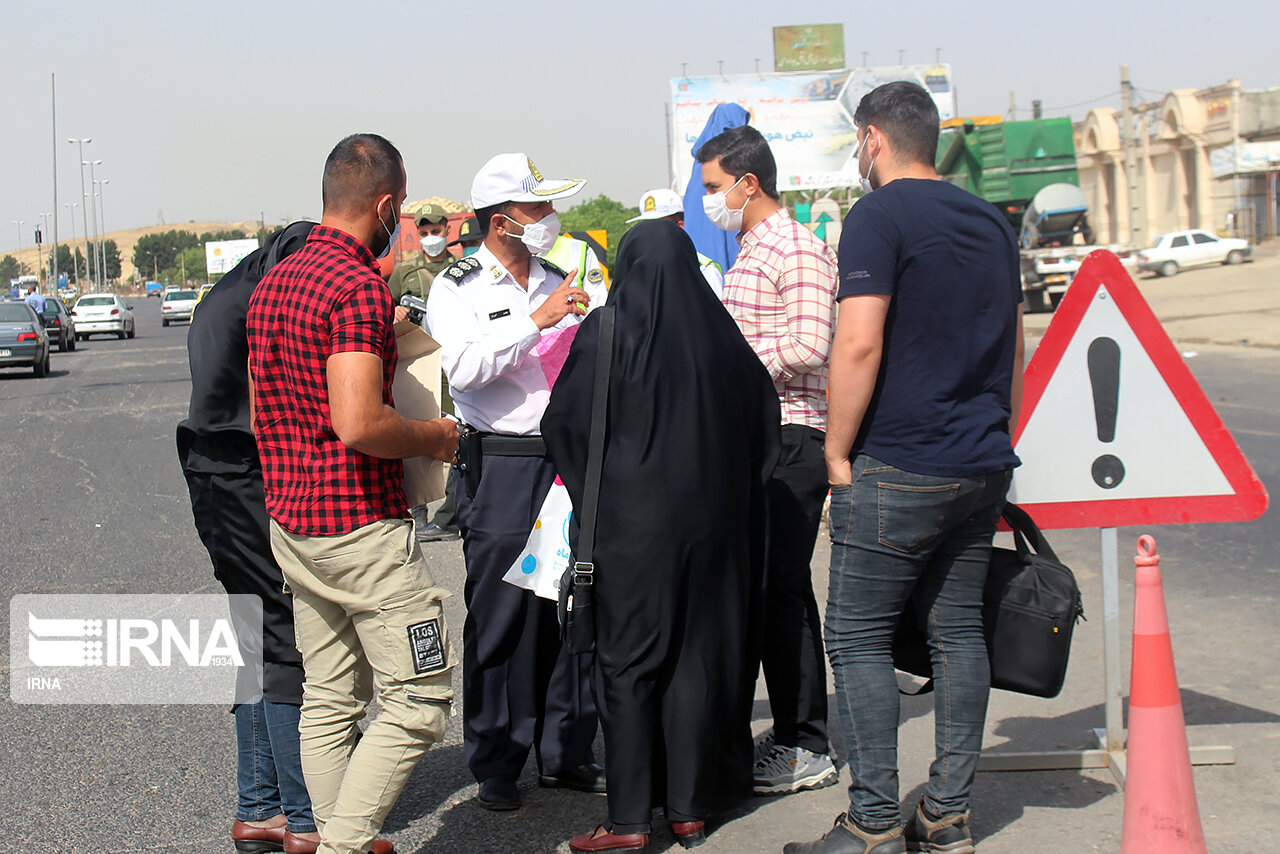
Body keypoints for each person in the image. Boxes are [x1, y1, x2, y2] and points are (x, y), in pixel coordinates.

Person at [785, 82, 1024, 854]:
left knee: (856, 639)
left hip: (899, 463)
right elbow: (1012, 343)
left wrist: (834, 451)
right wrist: (996, 432)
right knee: (957, 633)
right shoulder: (989, 220)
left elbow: (857, 343)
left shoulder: (878, 215)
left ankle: (873, 821)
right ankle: (947, 815)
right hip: (980, 462)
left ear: (873, 139)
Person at [246, 133, 460, 854]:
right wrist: (434, 436)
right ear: (388, 203)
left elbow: (262, 408)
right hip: (361, 530)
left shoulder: (273, 282)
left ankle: (335, 836)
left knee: (331, 696)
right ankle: (343, 845)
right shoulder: (355, 286)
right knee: (420, 700)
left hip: (295, 526)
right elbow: (360, 422)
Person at [544, 220, 782, 853]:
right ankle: (687, 808)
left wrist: (603, 485)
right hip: (716, 532)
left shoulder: (607, 331)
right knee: (694, 660)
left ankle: (626, 821)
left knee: (626, 666)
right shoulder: (722, 336)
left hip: (631, 532)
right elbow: (766, 430)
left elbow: (561, 425)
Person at [426, 152, 608, 811]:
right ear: (501, 221)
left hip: (564, 461)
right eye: (538, 209)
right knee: (503, 617)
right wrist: (538, 322)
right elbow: (464, 369)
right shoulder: (459, 287)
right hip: (500, 463)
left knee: (571, 605)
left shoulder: (562, 276)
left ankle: (567, 749)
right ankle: (499, 758)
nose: (551, 219)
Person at [696, 124, 840, 795]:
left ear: (749, 182)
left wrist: (738, 372)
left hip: (792, 438)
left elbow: (811, 346)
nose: (709, 201)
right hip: (758, 438)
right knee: (763, 590)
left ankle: (807, 741)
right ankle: (788, 732)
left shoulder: (798, 248)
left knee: (782, 591)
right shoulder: (751, 248)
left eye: (714, 188)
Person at [178, 221, 320, 854]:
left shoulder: (226, 292)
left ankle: (256, 809)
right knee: (284, 640)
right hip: (241, 476)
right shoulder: (266, 299)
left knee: (253, 638)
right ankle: (304, 817)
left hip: (214, 474)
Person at [626, 188, 725, 297]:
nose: (651, 232)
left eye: (659, 225)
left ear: (680, 226)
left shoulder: (704, 269)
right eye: (647, 225)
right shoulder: (637, 268)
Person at [388, 203, 452, 316]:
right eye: (424, 234)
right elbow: (386, 305)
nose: (430, 237)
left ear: (447, 230)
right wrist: (396, 311)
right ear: (417, 234)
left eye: (435, 232)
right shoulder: (405, 271)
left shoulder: (460, 267)